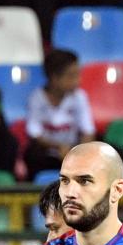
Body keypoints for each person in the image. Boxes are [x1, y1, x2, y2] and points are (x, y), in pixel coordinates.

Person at [24, 48, 95, 178]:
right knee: (31, 155)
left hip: (74, 150)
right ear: (54, 78)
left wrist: (79, 153)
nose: (78, 81)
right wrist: (59, 147)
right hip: (48, 153)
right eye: (71, 76)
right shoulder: (36, 98)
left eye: (78, 74)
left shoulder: (79, 97)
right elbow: (35, 134)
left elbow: (87, 130)